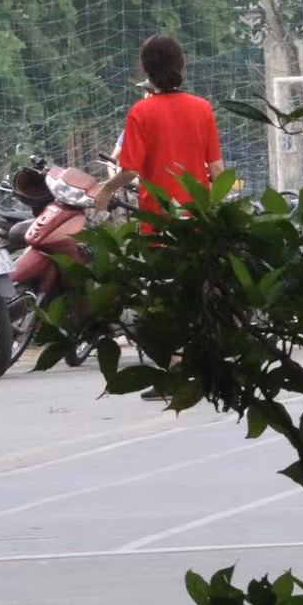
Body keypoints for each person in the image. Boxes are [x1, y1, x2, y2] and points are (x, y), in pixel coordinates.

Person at [93, 34, 225, 401]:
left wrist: (103, 192)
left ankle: (174, 371)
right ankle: (200, 367)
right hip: (198, 218)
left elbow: (129, 170)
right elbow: (216, 170)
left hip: (159, 223)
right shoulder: (203, 108)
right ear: (181, 66)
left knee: (162, 296)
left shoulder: (141, 112)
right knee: (195, 294)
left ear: (145, 69)